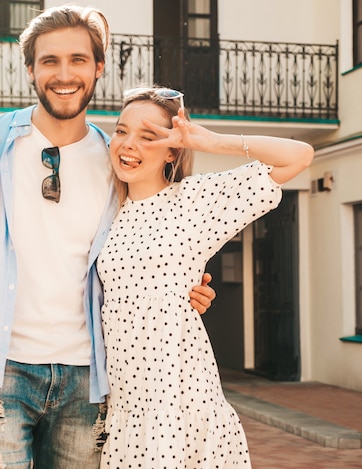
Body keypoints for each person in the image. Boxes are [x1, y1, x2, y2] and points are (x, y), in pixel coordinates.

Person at [0, 5, 216, 468]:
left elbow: (149, 241)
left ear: (98, 67)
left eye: (77, 60)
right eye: (49, 61)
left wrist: (181, 285)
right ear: (31, 68)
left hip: (90, 378)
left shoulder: (120, 159)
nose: (64, 74)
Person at [97, 85, 314, 468]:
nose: (129, 145)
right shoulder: (104, 210)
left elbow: (299, 156)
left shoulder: (195, 200)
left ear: (172, 150)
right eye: (121, 130)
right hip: (125, 404)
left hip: (180, 399)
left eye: (149, 136)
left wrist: (212, 141)